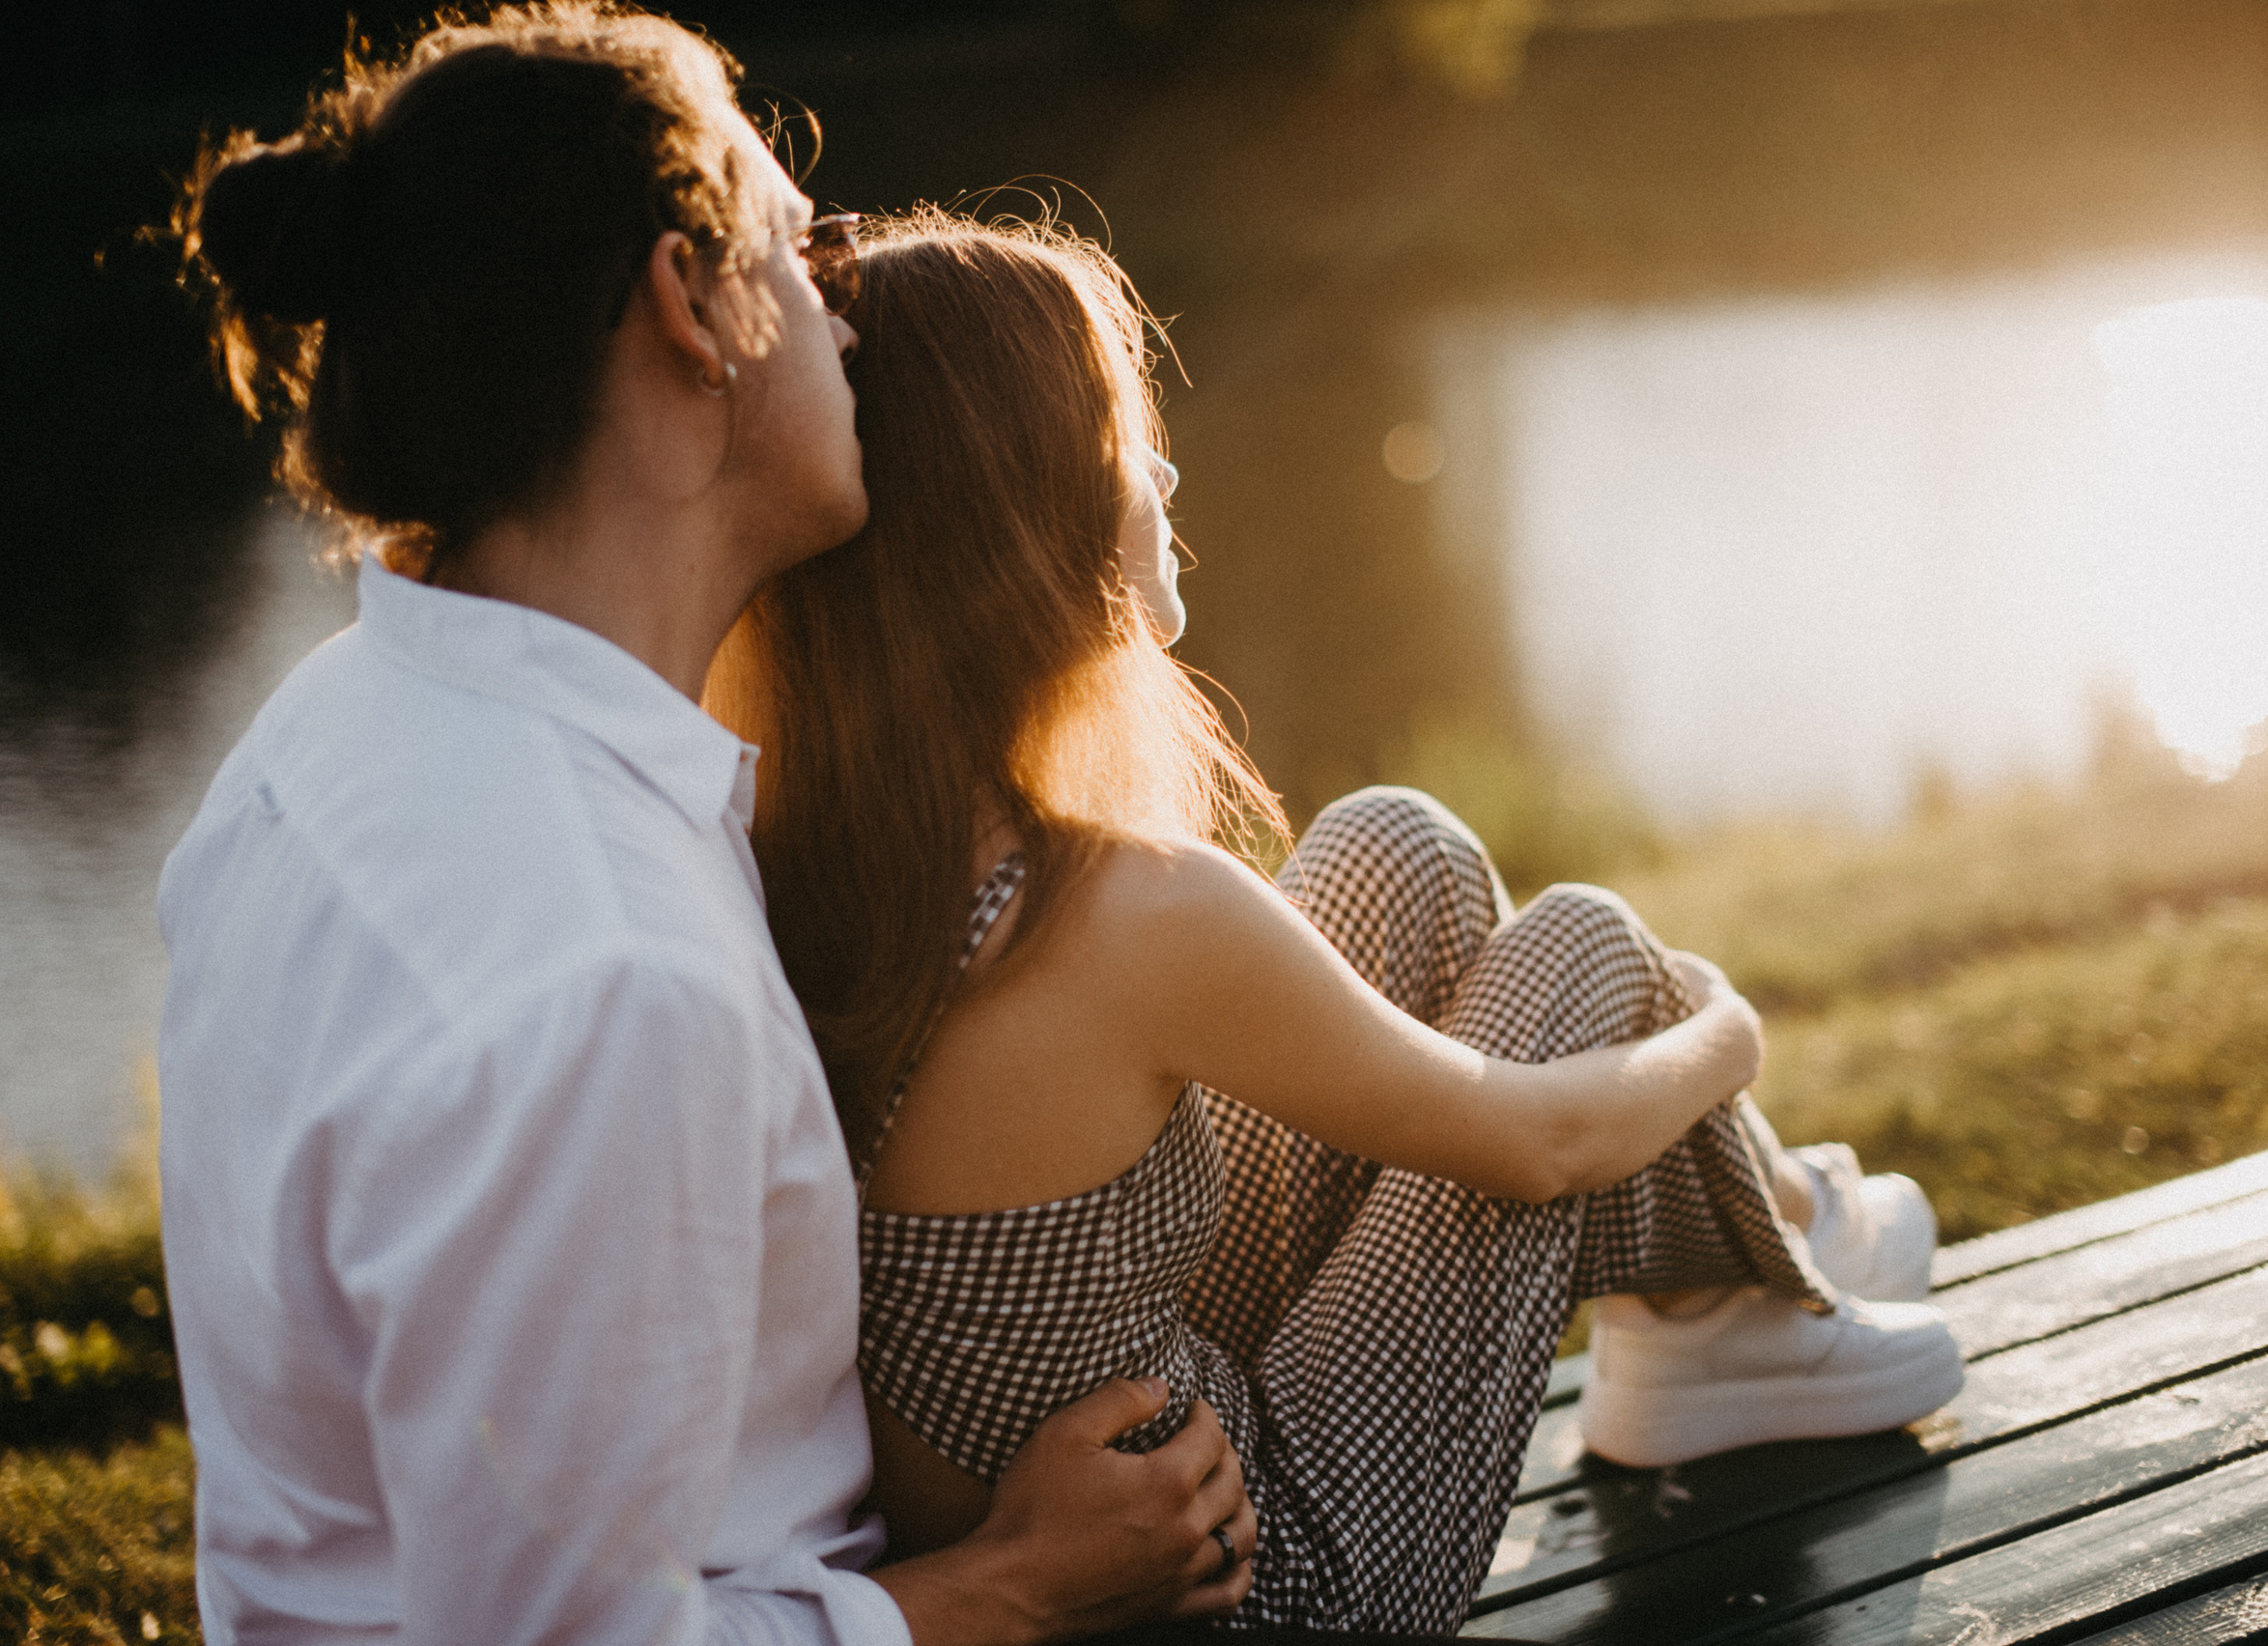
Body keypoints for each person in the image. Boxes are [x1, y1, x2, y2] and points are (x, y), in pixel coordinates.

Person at [156, 11, 1255, 1645]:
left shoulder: (334, 729)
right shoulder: (602, 978)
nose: (845, 304)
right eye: (804, 248)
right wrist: (1020, 1581)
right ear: (696, 307)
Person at [705, 212, 1967, 1634]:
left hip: (1133, 1454)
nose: (1164, 470)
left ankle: (1734, 1286)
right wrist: (1727, 1032)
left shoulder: (800, 848)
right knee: (1586, 956)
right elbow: (1538, 1142)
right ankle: (1767, 1257)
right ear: (1028, 510)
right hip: (1261, 1577)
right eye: (1124, 431)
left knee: (1392, 850)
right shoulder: (1125, 917)